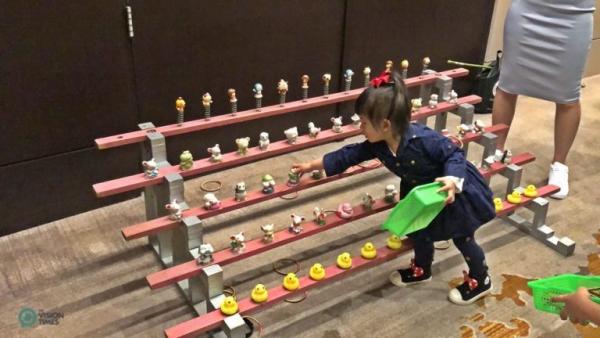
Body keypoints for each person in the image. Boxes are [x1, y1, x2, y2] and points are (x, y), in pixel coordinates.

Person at [292, 71, 496, 305]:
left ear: (385, 125)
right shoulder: (378, 144)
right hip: (419, 195)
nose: (360, 127)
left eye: (364, 122)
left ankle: (481, 280)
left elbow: (454, 153)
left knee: (463, 238)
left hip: (449, 193)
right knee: (418, 231)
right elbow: (349, 154)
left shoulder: (424, 139)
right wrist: (311, 165)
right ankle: (422, 268)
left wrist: (452, 180)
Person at [492, 0, 595, 199]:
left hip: (574, 17)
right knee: (508, 84)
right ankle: (495, 148)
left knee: (568, 96)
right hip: (528, 11)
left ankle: (559, 164)